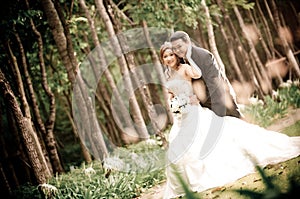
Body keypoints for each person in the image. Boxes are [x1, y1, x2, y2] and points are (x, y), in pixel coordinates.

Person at [159, 42, 300, 199]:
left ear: (176, 56)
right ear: (162, 60)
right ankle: (185, 183)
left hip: (195, 111)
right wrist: (174, 103)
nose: (169, 58)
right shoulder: (167, 76)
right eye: (165, 56)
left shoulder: (185, 69)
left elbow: (197, 75)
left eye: (171, 55)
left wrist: (190, 65)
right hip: (181, 117)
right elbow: (170, 94)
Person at [170, 30, 242, 118]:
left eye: (179, 46)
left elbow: (214, 81)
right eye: (174, 48)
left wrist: (199, 98)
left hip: (220, 100)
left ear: (187, 42)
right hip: (203, 106)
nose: (177, 50)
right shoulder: (180, 60)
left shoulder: (203, 55)